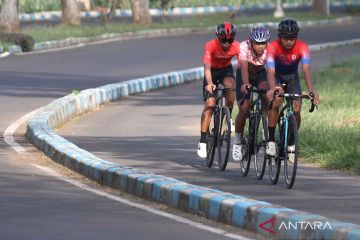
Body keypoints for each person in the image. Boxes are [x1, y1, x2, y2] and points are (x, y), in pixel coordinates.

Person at [265, 18, 320, 158]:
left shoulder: (302, 47)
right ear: (280, 37)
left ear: (296, 37)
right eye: (286, 38)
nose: (289, 41)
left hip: (292, 78)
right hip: (276, 76)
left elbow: (306, 70)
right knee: (276, 102)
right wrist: (273, 89)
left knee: (296, 109)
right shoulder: (272, 47)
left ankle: (291, 141)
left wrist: (311, 90)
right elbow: (270, 71)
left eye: (292, 38)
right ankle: (271, 140)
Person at [197, 22, 240, 159]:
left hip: (225, 70)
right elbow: (207, 68)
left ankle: (229, 117)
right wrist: (209, 83)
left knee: (231, 85)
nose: (227, 43)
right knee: (209, 106)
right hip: (212, 73)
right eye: (224, 40)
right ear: (218, 38)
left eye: (230, 40)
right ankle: (203, 141)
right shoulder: (210, 45)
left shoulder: (236, 47)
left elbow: (241, 66)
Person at [232, 25, 271, 161]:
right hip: (244, 74)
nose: (260, 46)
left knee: (267, 94)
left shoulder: (270, 49)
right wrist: (246, 83)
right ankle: (237, 142)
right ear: (251, 42)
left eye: (263, 43)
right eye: (257, 43)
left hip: (260, 73)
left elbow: (272, 69)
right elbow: (243, 66)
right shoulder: (244, 46)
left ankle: (267, 129)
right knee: (244, 108)